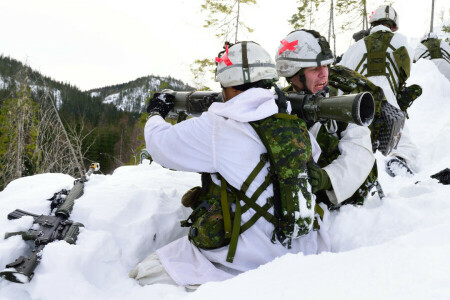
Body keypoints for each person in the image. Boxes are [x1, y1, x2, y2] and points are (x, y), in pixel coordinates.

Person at [129, 41, 330, 288]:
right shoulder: (291, 121)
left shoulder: (218, 127)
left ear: (231, 87)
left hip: (243, 261)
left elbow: (160, 145)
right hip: (298, 250)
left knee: (143, 274)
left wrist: (155, 113)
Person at [275, 29, 376, 208]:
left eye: (326, 66)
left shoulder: (343, 102)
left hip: (339, 200)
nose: (324, 74)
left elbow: (360, 152)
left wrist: (328, 177)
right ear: (293, 75)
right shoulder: (276, 103)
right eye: (315, 69)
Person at [339, 5, 419, 177]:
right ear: (393, 25)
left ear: (372, 24)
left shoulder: (355, 47)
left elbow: (341, 73)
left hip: (358, 101)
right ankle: (399, 160)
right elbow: (410, 67)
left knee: (355, 137)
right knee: (402, 141)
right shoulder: (401, 41)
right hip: (388, 100)